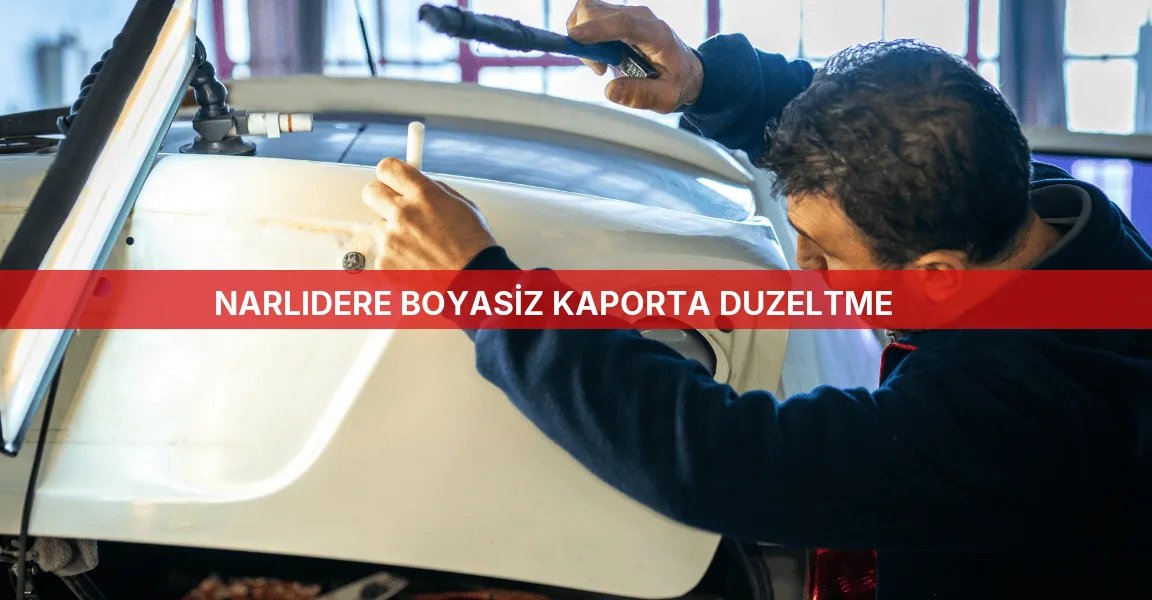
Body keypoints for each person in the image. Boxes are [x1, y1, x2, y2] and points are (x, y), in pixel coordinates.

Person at [360, 1, 1152, 597]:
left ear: (937, 274)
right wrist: (701, 78)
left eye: (827, 255)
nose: (803, 267)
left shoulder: (1019, 417)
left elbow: (721, 455)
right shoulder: (1023, 207)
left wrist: (481, 288)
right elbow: (874, 121)